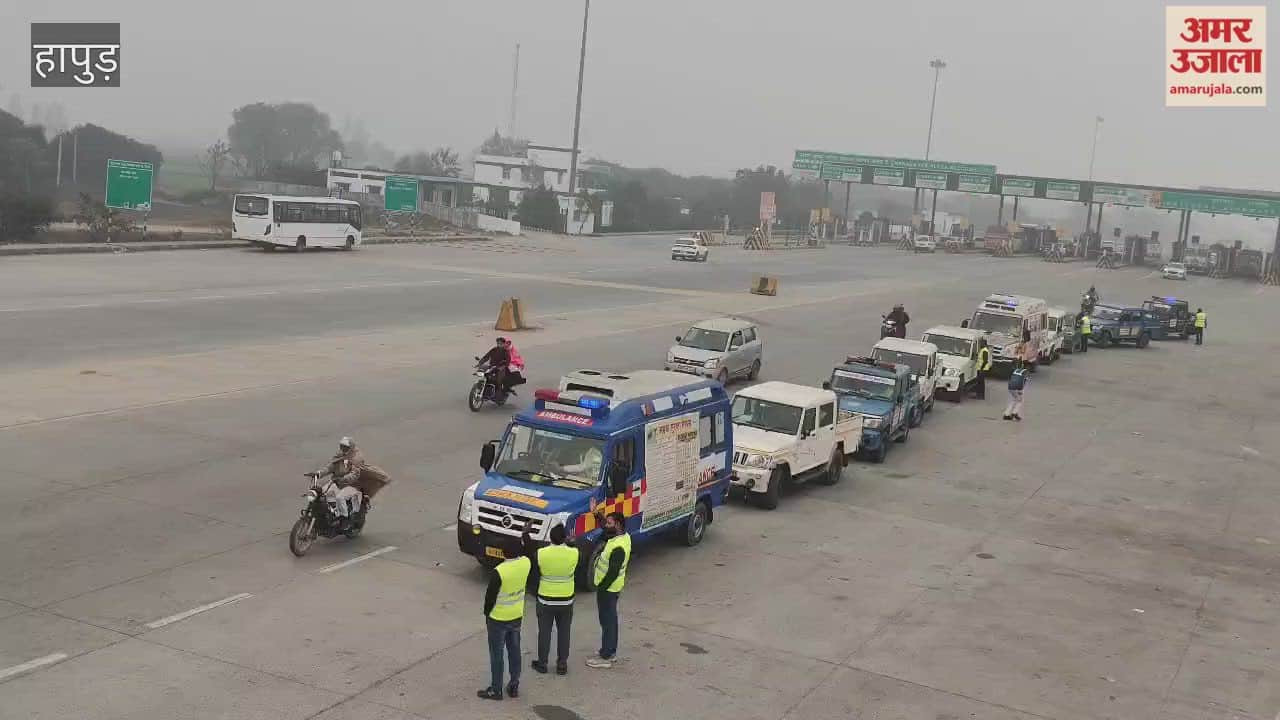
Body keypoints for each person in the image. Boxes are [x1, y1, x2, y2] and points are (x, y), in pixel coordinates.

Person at [478, 537, 530, 701]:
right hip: (516, 616)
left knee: (497, 654)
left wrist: (486, 614)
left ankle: (496, 689)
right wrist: (525, 537)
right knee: (514, 651)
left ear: (503, 553)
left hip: (498, 619)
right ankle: (514, 684)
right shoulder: (525, 564)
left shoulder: (499, 571)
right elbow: (527, 551)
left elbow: (490, 598)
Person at [525, 524, 579, 676]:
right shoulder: (574, 553)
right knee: (564, 632)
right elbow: (575, 555)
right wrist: (572, 543)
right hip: (566, 600)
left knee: (545, 632)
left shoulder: (542, 553)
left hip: (546, 599)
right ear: (564, 538)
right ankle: (562, 664)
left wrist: (526, 534)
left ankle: (542, 663)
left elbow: (529, 551)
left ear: (550, 537)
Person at [587, 511, 631, 669]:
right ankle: (609, 651)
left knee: (607, 622)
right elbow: (606, 529)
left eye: (609, 523)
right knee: (609, 621)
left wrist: (602, 589)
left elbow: (612, 572)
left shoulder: (618, 547)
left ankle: (606, 656)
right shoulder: (622, 537)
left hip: (609, 589)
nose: (606, 525)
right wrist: (597, 514)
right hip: (612, 588)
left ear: (618, 525)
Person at [327, 437, 365, 528]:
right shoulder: (340, 455)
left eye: (345, 447)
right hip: (340, 483)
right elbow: (330, 467)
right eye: (342, 446)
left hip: (353, 484)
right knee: (327, 494)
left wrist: (343, 479)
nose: (343, 449)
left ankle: (345, 519)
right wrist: (318, 473)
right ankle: (334, 514)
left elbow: (355, 474)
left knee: (340, 497)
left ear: (350, 448)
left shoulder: (356, 458)